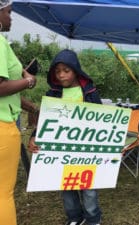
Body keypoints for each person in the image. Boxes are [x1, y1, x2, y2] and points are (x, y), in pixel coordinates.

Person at [28, 49, 102, 225]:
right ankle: (75, 218)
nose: (61, 75)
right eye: (57, 71)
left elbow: (102, 120)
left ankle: (93, 219)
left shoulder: (90, 92)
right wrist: (34, 136)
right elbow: (45, 120)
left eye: (66, 71)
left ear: (75, 70)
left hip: (86, 149)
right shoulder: (53, 93)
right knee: (67, 185)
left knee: (88, 187)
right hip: (62, 150)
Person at [0, 1, 37, 224]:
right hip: (3, 127)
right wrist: (28, 80)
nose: (11, 18)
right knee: (3, 193)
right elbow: (1, 87)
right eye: (9, 12)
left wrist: (31, 107)